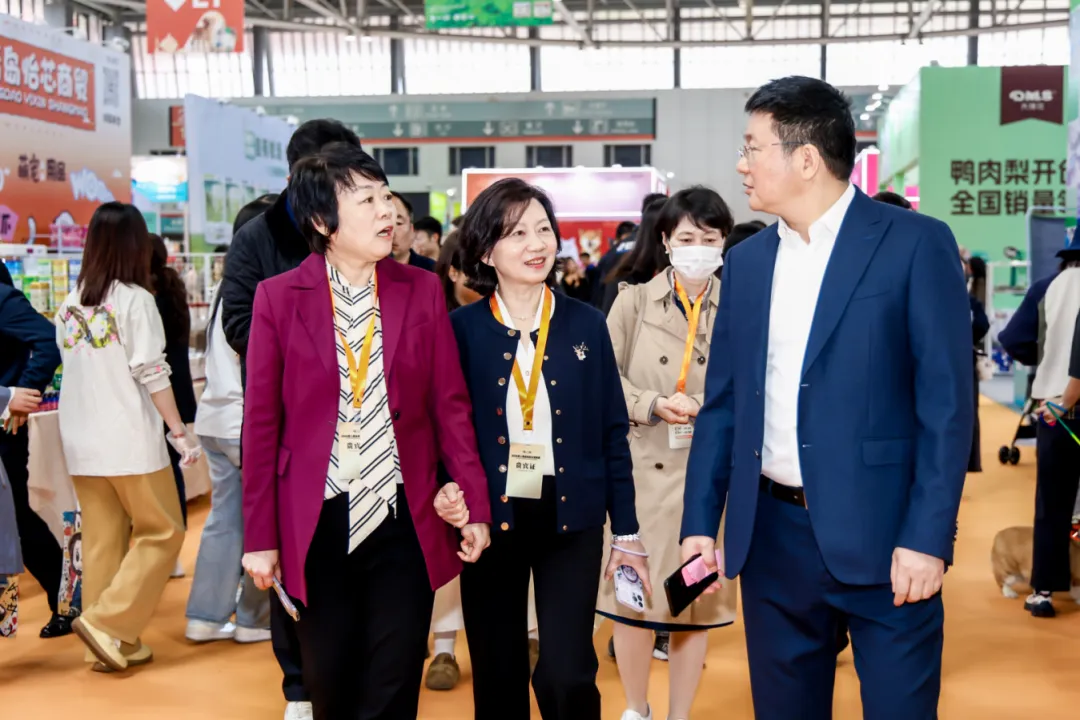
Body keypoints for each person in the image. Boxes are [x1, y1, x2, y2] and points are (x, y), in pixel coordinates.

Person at [681, 76, 973, 719]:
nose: (741, 164)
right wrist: (700, 522)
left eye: (752, 147)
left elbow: (947, 407)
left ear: (806, 158)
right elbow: (724, 404)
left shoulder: (913, 243)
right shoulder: (748, 263)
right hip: (773, 542)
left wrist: (928, 537)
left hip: (887, 537)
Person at [240, 144, 491, 720]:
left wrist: (473, 504)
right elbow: (261, 425)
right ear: (322, 221)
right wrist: (260, 536)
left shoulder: (419, 289)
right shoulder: (278, 298)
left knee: (394, 682)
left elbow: (449, 405)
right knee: (330, 680)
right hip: (317, 517)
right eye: (367, 200)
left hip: (401, 514)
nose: (387, 212)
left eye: (386, 197)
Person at [450, 177, 644, 720]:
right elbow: (449, 428)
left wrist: (626, 531)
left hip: (571, 515)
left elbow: (612, 431)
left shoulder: (586, 323)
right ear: (486, 252)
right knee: (497, 669)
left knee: (567, 671)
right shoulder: (461, 330)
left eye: (542, 229)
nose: (536, 244)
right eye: (516, 234)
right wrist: (452, 492)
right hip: (491, 516)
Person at [221, 117, 362, 720]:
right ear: (300, 176)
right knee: (291, 554)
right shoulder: (259, 236)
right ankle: (299, 685)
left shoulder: (365, 232)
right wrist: (313, 350)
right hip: (293, 423)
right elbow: (237, 322)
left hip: (367, 425)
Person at [598, 186, 738, 720]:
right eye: (687, 237)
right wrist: (651, 403)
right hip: (639, 476)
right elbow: (603, 381)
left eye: (710, 237)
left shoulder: (739, 305)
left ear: (724, 242)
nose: (698, 247)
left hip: (706, 481)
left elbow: (751, 384)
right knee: (632, 605)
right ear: (665, 240)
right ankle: (637, 708)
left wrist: (709, 407)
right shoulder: (632, 301)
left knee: (691, 607)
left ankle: (679, 713)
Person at [56, 202, 199, 672]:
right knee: (165, 531)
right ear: (136, 245)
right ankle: (107, 624)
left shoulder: (70, 303)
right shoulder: (136, 300)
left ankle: (111, 643)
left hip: (81, 442)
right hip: (130, 441)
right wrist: (179, 431)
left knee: (103, 541)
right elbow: (152, 372)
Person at [427, 232, 541, 691]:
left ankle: (528, 634)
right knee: (457, 564)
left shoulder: (534, 318)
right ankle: (444, 647)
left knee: (521, 557)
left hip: (523, 468)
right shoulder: (448, 322)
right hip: (466, 472)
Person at [185, 196, 276, 644]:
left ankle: (205, 615)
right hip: (244, 421)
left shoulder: (228, 288)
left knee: (226, 519)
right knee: (263, 520)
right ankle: (254, 618)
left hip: (215, 418)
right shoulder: (263, 288)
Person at [0, 268, 65, 638]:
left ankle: (67, 601)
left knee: (16, 520)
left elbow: (49, 341)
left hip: (4, 430)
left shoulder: (3, 300)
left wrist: (19, 395)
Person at [1021, 234, 1080, 618]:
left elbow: (1014, 337)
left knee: (1053, 503)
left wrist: (1045, 358)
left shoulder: (1049, 286)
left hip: (1057, 411)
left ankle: (1043, 591)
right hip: (1068, 403)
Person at [149, 234, 197, 546]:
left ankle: (166, 537)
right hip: (178, 389)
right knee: (170, 469)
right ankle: (175, 534)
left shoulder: (147, 298)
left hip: (159, 393)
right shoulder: (173, 288)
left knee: (160, 468)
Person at [390, 192, 436, 272]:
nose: (391, 232)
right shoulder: (367, 275)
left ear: (411, 230)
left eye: (398, 223)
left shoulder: (433, 270)